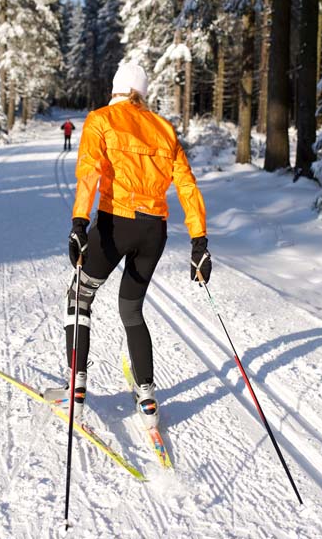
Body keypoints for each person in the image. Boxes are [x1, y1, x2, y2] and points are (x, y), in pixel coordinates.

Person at [45, 63, 211, 429]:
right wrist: (199, 241)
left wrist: (78, 223)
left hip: (114, 223)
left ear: (117, 87)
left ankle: (76, 388)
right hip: (154, 232)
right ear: (143, 91)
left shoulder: (101, 119)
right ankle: (148, 398)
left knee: (79, 296)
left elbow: (88, 170)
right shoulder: (164, 128)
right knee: (131, 309)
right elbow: (186, 185)